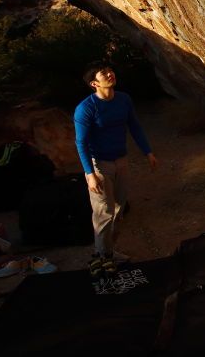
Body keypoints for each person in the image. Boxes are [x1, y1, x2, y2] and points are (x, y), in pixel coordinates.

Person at [73, 65, 157, 277]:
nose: (110, 74)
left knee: (119, 209)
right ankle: (103, 256)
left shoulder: (123, 100)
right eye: (104, 74)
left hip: (121, 161)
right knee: (103, 211)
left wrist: (148, 152)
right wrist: (89, 174)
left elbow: (134, 126)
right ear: (94, 84)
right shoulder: (86, 108)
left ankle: (107, 250)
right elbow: (81, 142)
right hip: (99, 165)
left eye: (111, 71)